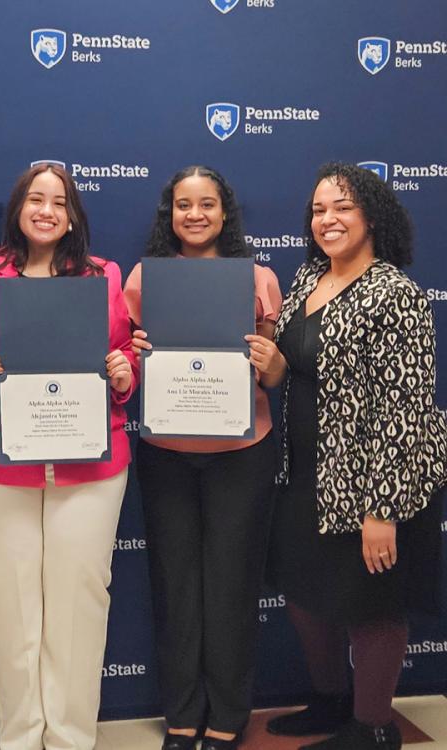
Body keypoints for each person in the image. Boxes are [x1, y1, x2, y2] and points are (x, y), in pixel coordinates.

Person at [250, 162, 447, 750]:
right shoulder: (309, 279)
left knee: (372, 601)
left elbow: (405, 408)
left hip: (372, 481)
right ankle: (332, 702)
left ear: (372, 216)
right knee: (308, 594)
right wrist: (275, 365)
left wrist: (382, 509)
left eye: (342, 207)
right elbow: (300, 369)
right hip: (306, 473)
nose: (327, 219)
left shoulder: (396, 294)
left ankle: (374, 726)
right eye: (318, 209)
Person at [0, 163, 136, 750]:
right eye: (36, 198)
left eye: (59, 201)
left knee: (81, 599)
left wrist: (126, 373)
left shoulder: (104, 275)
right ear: (17, 208)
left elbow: (124, 350)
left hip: (92, 463)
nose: (47, 210)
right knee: (9, 600)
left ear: (74, 213)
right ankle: (22, 738)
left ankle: (72, 738)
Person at [123, 166, 281, 750]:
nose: (195, 215)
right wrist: (135, 356)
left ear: (224, 212)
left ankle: (229, 715)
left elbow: (278, 369)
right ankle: (181, 714)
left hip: (242, 451)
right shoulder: (143, 278)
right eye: (183, 205)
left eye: (207, 204)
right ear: (170, 213)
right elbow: (126, 366)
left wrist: (269, 360)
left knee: (232, 586)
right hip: (166, 451)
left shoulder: (259, 279)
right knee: (175, 586)